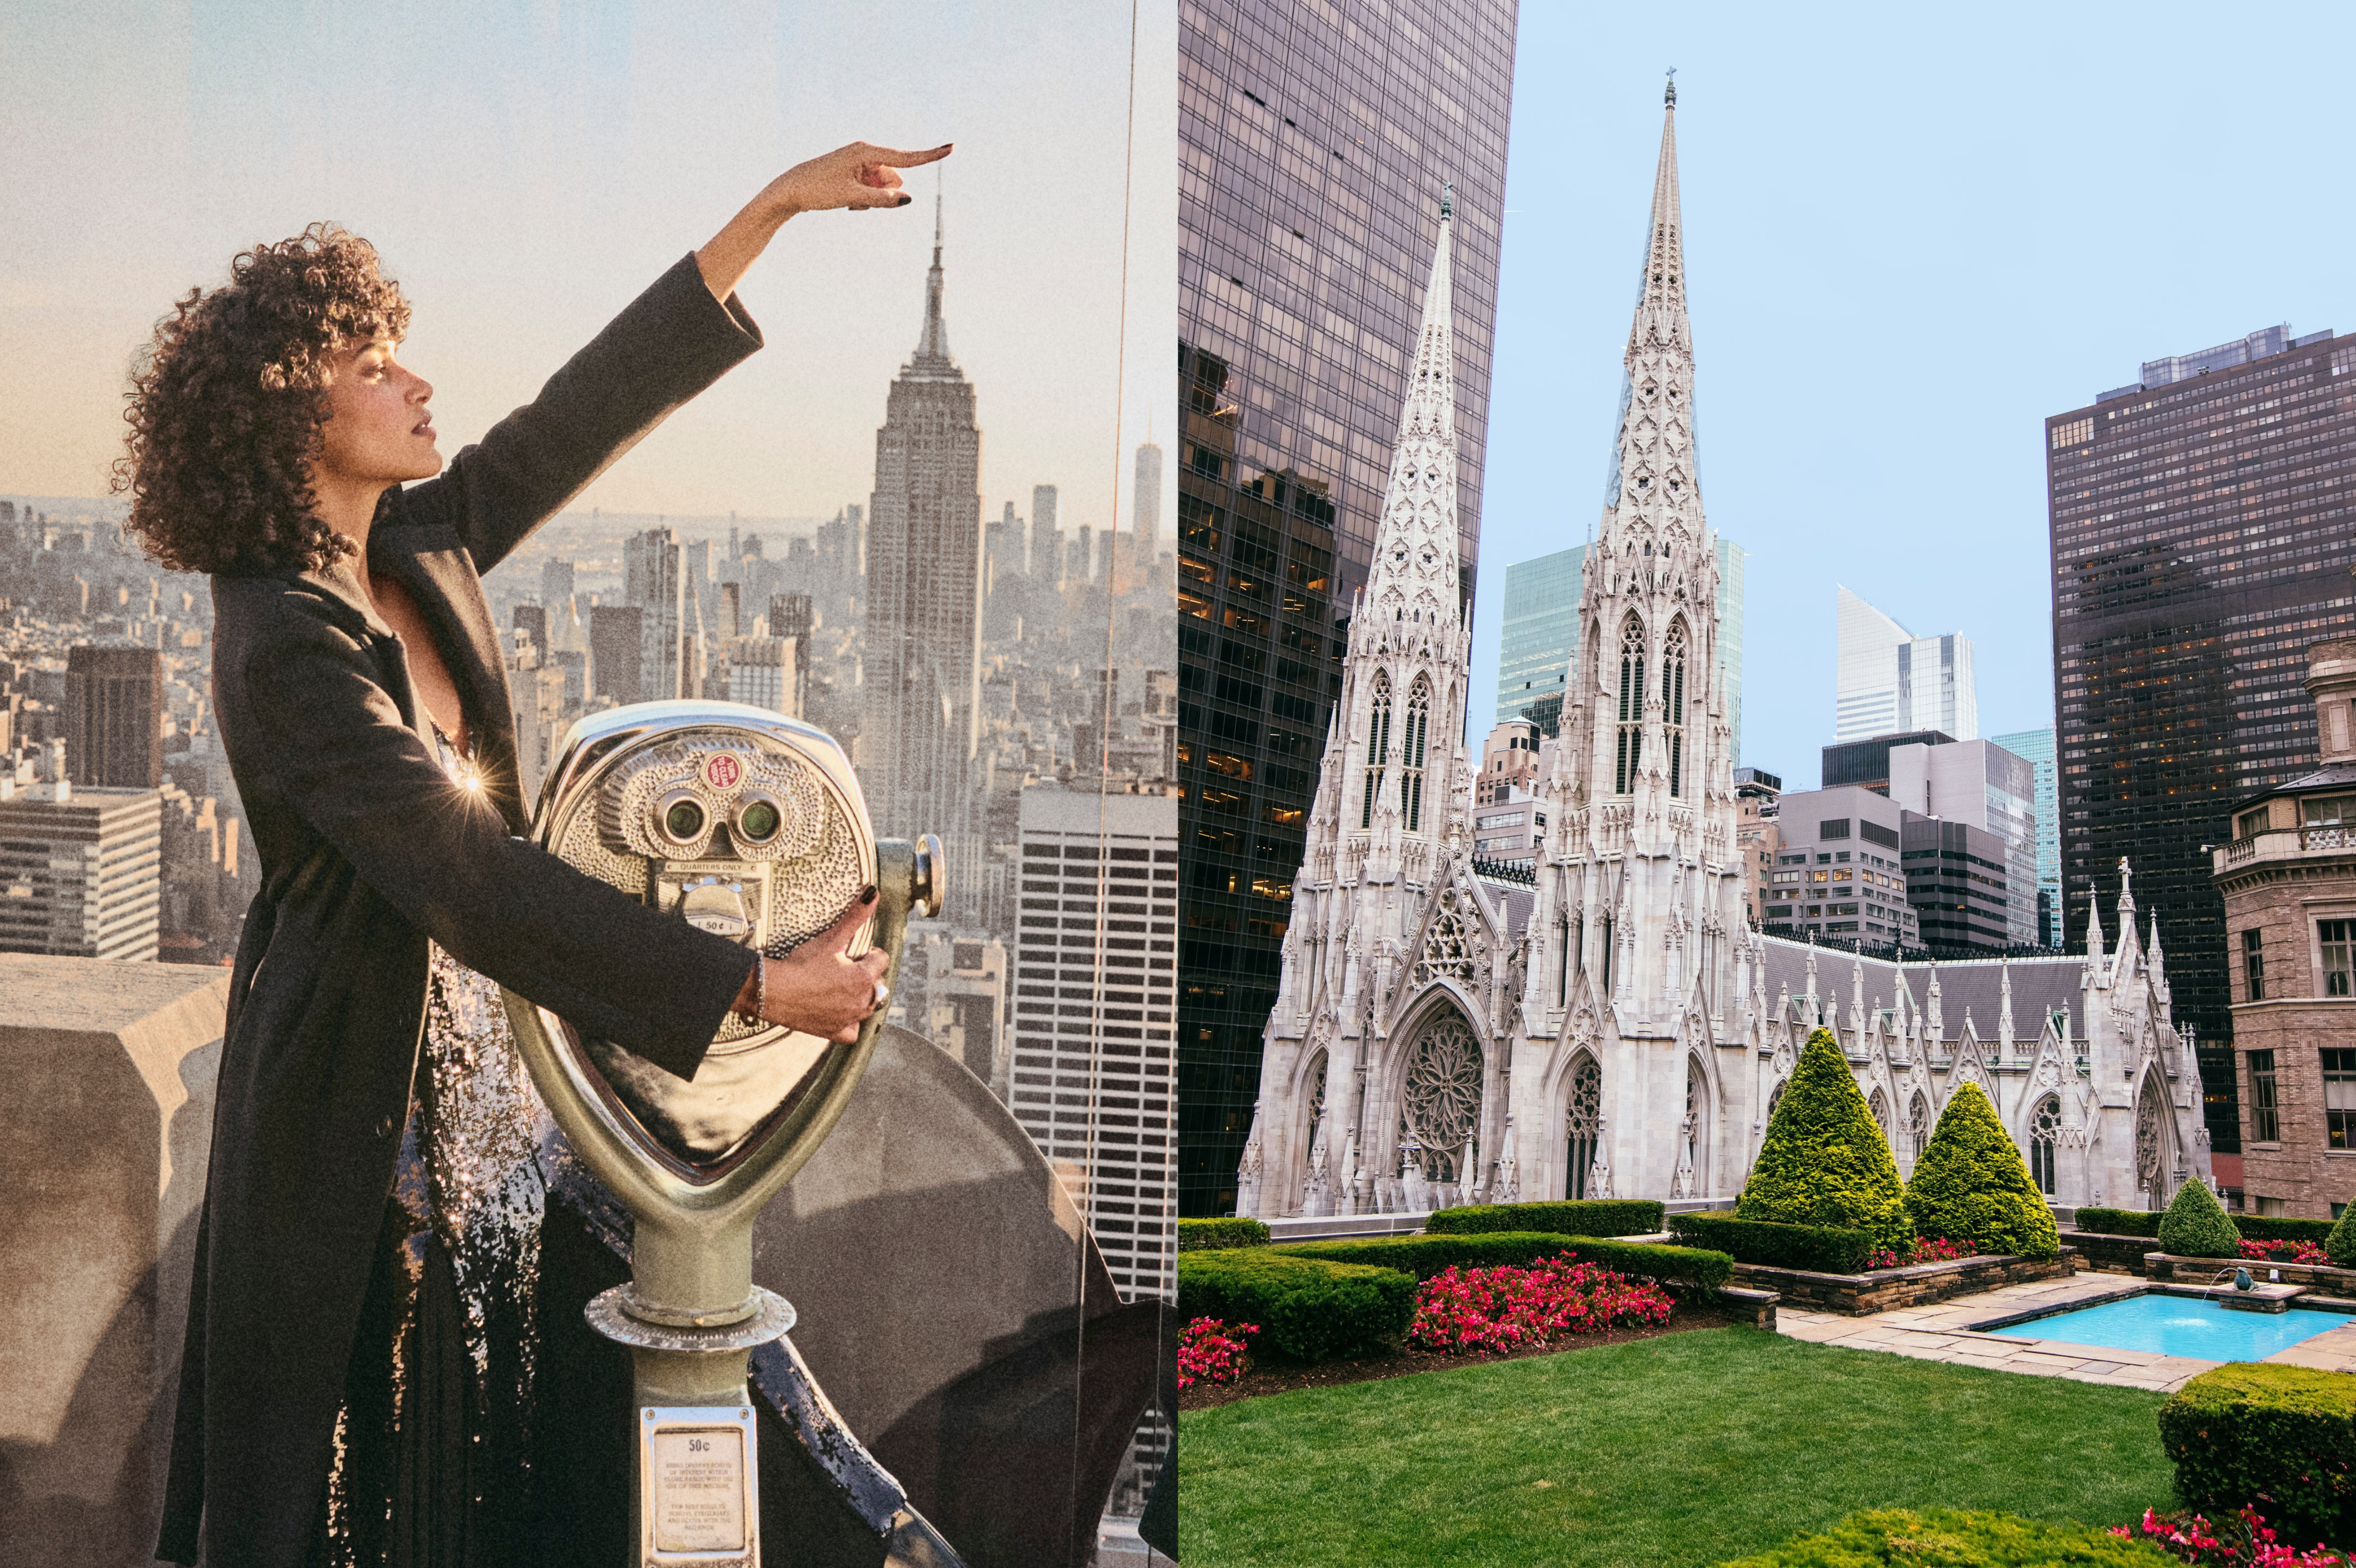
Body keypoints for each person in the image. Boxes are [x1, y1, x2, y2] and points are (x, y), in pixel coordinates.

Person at [116, 139, 951, 1568]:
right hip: (354, 1104)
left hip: (494, 1078)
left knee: (510, 1426)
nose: (418, 381)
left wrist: (767, 213)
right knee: (356, 1475)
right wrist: (757, 988)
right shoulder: (282, 638)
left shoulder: (413, 542)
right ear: (292, 409)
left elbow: (579, 415)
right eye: (376, 362)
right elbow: (469, 876)